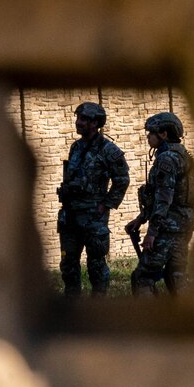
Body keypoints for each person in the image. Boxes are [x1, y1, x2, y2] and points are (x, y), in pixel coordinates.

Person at [57, 101, 129, 296]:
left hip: (93, 219)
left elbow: (122, 180)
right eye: (78, 118)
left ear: (97, 123)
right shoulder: (76, 147)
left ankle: (99, 307)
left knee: (96, 265)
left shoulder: (109, 150)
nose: (78, 122)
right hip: (71, 217)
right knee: (68, 263)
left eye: (84, 119)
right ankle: (73, 305)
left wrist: (106, 205)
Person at [126, 112, 194, 295]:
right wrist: (141, 218)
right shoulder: (183, 155)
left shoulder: (166, 159)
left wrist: (151, 234)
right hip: (184, 225)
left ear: (164, 134)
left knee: (143, 278)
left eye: (152, 132)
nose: (148, 136)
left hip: (167, 228)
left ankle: (147, 320)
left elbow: (163, 199)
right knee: (176, 276)